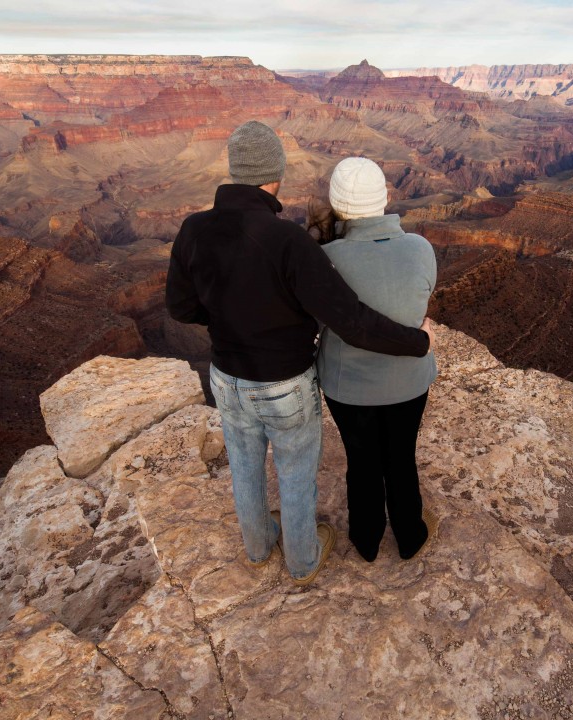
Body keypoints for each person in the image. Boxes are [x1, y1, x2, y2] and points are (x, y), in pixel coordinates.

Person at [165, 121, 435, 586]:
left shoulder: (193, 229)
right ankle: (303, 561)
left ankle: (256, 548)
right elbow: (350, 319)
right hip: (283, 381)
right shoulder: (286, 241)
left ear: (232, 169)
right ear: (275, 175)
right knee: (293, 470)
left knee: (245, 466)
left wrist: (230, 320)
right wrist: (418, 343)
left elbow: (180, 305)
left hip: (226, 376)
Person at [315, 157, 438, 562]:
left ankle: (365, 540)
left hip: (347, 389)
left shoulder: (326, 259)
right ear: (383, 198)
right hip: (409, 381)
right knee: (401, 456)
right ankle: (410, 535)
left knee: (362, 461)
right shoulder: (420, 248)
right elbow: (416, 304)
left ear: (337, 203)